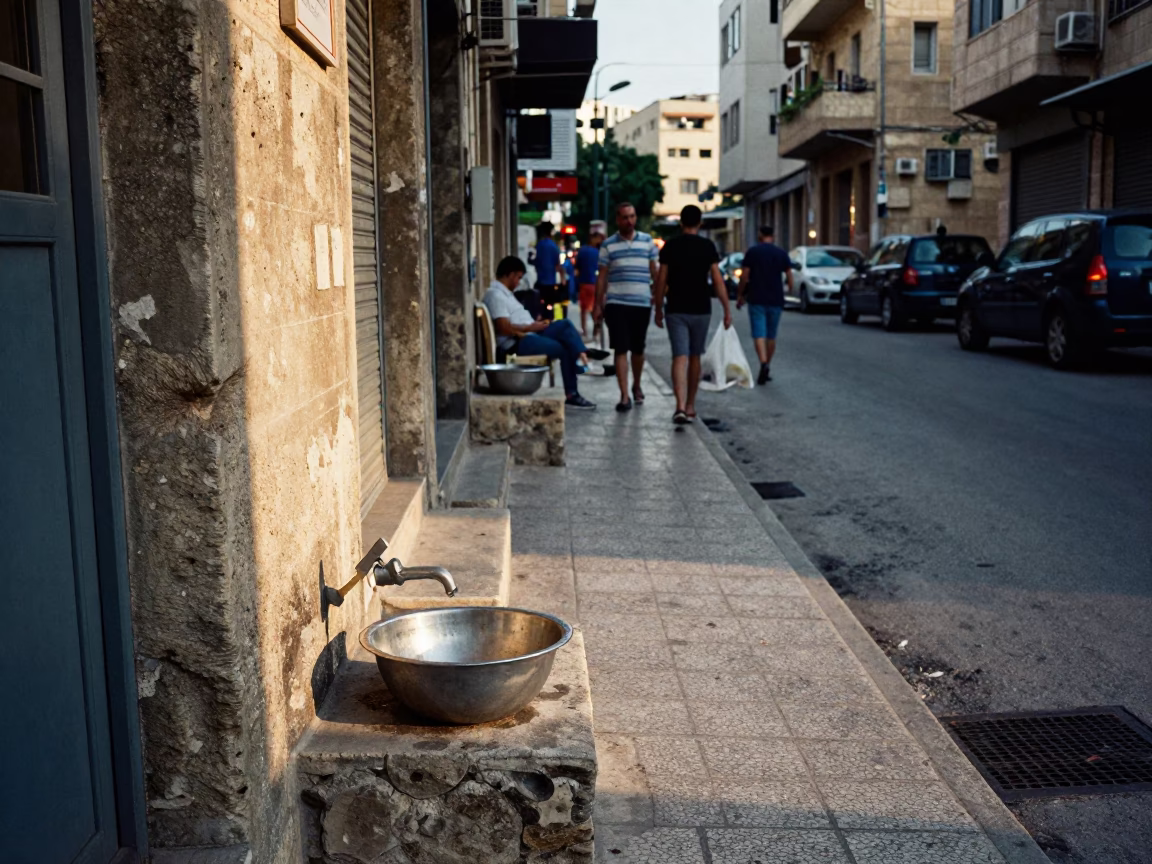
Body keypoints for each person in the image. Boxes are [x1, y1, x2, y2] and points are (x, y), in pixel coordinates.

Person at [483, 256, 596, 410]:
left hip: (530, 334)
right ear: (509, 274)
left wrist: (535, 325)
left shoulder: (506, 294)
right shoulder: (495, 295)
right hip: (518, 342)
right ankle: (574, 386)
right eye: (518, 277)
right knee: (565, 347)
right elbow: (503, 328)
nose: (518, 282)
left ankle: (581, 354)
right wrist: (530, 328)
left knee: (565, 324)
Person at [653, 205, 732, 424]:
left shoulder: (670, 247)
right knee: (695, 356)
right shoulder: (707, 246)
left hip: (676, 308)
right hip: (701, 308)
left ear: (681, 223)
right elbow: (717, 280)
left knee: (679, 356)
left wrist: (658, 307)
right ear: (700, 223)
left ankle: (678, 406)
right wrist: (726, 308)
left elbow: (661, 280)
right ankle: (690, 406)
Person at [594, 202, 660, 412]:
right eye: (625, 217)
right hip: (616, 303)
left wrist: (658, 300)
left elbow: (655, 273)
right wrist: (598, 304)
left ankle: (637, 384)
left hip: (641, 303)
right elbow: (602, 277)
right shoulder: (608, 245)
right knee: (620, 348)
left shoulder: (648, 242)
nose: (629, 221)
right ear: (617, 220)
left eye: (632, 216)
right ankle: (624, 396)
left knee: (638, 349)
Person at [737, 225, 794, 384]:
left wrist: (740, 294)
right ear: (773, 236)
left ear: (760, 235)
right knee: (771, 334)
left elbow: (744, 276)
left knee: (758, 333)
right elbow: (790, 276)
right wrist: (788, 291)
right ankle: (767, 364)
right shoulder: (781, 253)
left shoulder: (753, 252)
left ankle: (762, 362)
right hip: (776, 299)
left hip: (756, 298)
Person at [574, 222, 605, 337]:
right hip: (594, 284)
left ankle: (584, 330)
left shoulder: (582, 251)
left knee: (583, 309)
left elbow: (576, 270)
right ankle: (596, 330)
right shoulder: (598, 253)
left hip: (583, 284)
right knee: (594, 308)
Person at [533, 221, 567, 320]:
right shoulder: (554, 246)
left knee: (539, 306)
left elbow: (534, 261)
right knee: (551, 306)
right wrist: (563, 280)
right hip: (550, 283)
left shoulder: (539, 245)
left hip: (540, 282)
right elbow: (558, 266)